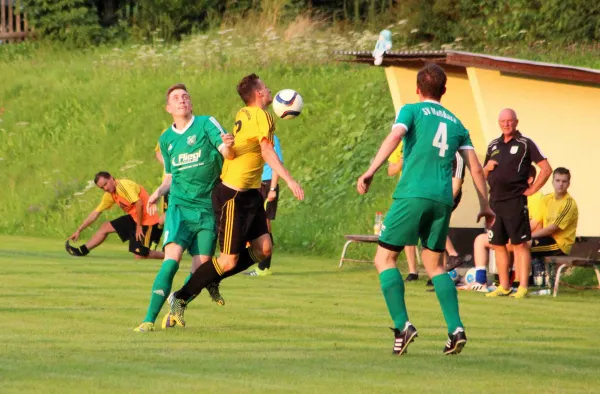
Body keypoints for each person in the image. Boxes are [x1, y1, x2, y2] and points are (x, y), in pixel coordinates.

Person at [357, 63, 495, 355]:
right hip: (443, 200)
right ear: (444, 91)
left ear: (418, 89)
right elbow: (476, 169)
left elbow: (396, 136)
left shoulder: (411, 110)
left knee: (384, 259)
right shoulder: (458, 124)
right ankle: (455, 329)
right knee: (435, 266)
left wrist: (370, 170)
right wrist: (485, 205)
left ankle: (402, 325)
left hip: (412, 195)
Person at [164, 74, 304, 328]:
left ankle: (215, 277)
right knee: (228, 260)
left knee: (264, 248)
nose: (269, 89)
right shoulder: (262, 116)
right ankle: (180, 298)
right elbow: (266, 151)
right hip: (232, 196)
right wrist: (290, 180)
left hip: (250, 193)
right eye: (265, 86)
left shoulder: (244, 112)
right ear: (259, 94)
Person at [133, 83, 235, 332]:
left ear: (191, 104)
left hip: (208, 209)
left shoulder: (206, 123)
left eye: (186, 97)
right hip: (179, 207)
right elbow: (169, 176)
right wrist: (157, 193)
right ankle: (148, 320)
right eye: (176, 98)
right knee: (171, 261)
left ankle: (177, 306)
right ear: (168, 108)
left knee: (201, 270)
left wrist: (229, 145)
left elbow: (227, 154)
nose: (182, 100)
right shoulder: (166, 139)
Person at [484, 109, 551, 298]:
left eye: (510, 121)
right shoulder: (493, 145)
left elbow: (546, 169)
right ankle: (504, 285)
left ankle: (522, 286)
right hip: (495, 202)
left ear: (516, 122)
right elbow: (482, 174)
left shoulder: (525, 143)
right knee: (498, 244)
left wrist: (533, 189)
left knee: (520, 244)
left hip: (515, 201)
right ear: (499, 123)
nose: (506, 124)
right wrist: (487, 168)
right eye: (503, 121)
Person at [463, 165, 542, 291]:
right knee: (480, 239)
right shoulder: (510, 195)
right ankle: (481, 281)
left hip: (527, 237)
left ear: (529, 180)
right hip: (511, 234)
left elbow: (535, 223)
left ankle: (518, 284)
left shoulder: (536, 197)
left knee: (517, 242)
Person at [65, 172, 164, 260]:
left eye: (105, 184)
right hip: (135, 218)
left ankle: (169, 255)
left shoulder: (123, 186)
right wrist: (79, 230)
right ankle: (82, 251)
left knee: (139, 255)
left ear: (111, 178)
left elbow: (139, 203)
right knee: (105, 227)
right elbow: (95, 213)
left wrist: (138, 227)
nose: (106, 188)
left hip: (149, 221)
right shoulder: (110, 194)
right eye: (102, 187)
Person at [245, 134, 284, 276]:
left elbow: (277, 164)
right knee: (254, 224)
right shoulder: (251, 138)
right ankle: (257, 262)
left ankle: (264, 267)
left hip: (267, 185)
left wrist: (272, 189)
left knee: (265, 225)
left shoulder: (272, 139)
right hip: (254, 184)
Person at [387, 144, 419, 281]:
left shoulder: (421, 138)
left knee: (428, 232)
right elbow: (391, 171)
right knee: (408, 231)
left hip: (422, 189)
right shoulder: (398, 146)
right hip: (406, 192)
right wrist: (400, 163)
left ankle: (435, 271)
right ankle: (413, 272)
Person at [531, 167, 578, 257]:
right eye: (558, 180)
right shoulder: (546, 199)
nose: (560, 184)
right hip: (546, 239)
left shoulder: (569, 203)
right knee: (514, 243)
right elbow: (535, 221)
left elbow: (552, 228)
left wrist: (530, 236)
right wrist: (521, 236)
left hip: (560, 244)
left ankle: (534, 271)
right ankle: (511, 271)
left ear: (568, 184)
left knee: (524, 246)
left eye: (564, 181)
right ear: (552, 182)